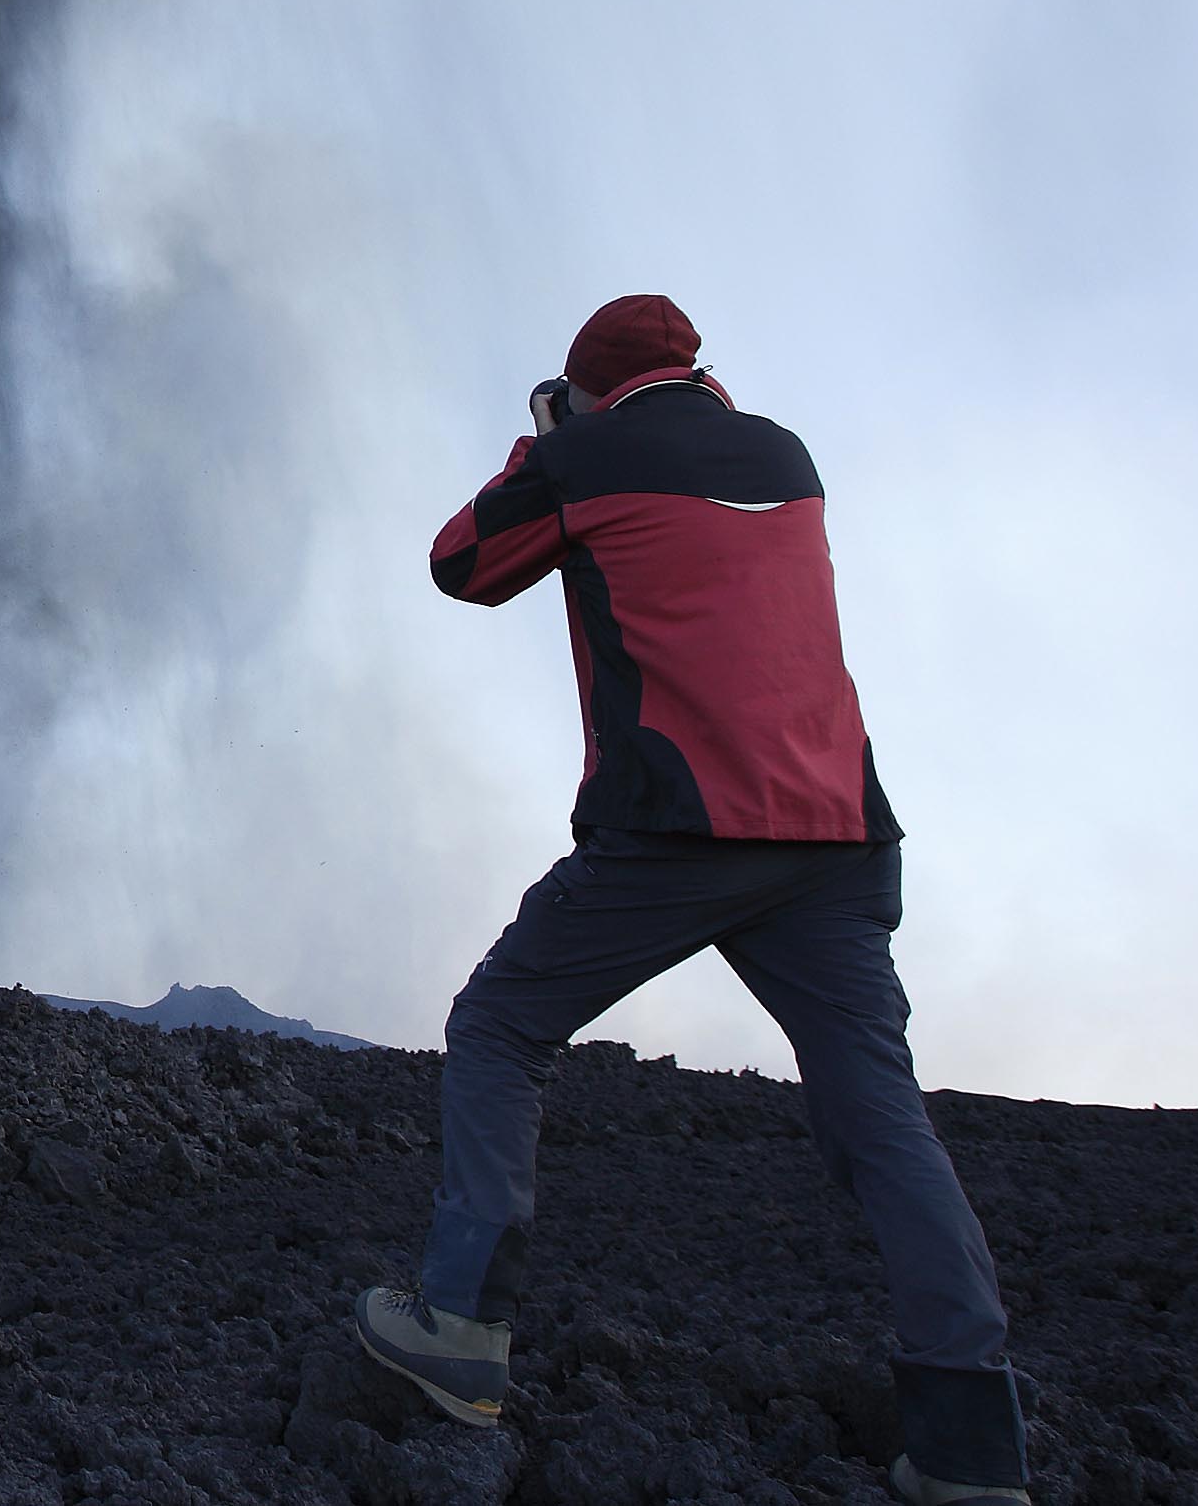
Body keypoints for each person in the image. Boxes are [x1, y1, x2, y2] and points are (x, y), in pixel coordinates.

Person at [350, 295, 1032, 1505]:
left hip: (676, 827)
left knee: (500, 1025)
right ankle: (971, 1445)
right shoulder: (785, 455)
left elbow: (460, 561)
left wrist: (539, 441)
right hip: (835, 833)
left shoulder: (581, 453)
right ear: (696, 371)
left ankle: (456, 1327)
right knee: (879, 1113)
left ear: (588, 389)